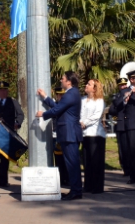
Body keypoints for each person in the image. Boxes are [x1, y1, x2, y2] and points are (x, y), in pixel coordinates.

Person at [37, 71, 83, 201]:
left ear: (69, 81)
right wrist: (46, 97)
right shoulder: (71, 94)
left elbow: (57, 110)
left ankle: (76, 191)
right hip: (68, 133)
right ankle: (75, 190)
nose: (61, 80)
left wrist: (43, 114)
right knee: (71, 163)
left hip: (70, 133)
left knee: (72, 163)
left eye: (63, 78)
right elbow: (59, 107)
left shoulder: (71, 94)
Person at [0, 80, 25, 187]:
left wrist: (17, 123)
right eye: (0, 90)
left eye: (5, 90)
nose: (3, 92)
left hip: (7, 135)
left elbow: (20, 115)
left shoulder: (12, 102)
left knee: (5, 158)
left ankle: (4, 180)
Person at [81, 78, 106, 194]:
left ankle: (97, 186)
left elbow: (96, 116)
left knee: (96, 161)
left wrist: (84, 123)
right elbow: (79, 113)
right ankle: (88, 185)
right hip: (85, 134)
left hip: (96, 135)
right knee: (87, 161)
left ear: (95, 88)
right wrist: (80, 122)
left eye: (89, 84)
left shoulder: (99, 101)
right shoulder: (83, 100)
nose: (86, 85)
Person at [108, 76, 130, 176]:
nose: (123, 86)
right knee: (122, 148)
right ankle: (125, 168)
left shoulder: (132, 93)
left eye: (125, 84)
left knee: (132, 148)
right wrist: (122, 102)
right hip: (121, 124)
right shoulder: (117, 97)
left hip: (131, 124)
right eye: (121, 85)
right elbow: (111, 111)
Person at [52, 86, 69, 186]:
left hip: (66, 134)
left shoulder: (68, 105)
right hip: (56, 134)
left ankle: (68, 179)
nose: (61, 97)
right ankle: (61, 179)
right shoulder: (54, 105)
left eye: (63, 95)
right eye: (59, 95)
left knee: (67, 158)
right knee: (58, 159)